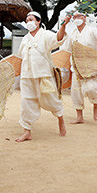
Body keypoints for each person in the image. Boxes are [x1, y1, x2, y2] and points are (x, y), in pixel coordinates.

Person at [15, 11, 70, 142]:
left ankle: (61, 120)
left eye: (31, 19)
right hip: (27, 75)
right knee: (26, 102)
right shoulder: (25, 38)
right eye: (27, 20)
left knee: (51, 100)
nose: (29, 22)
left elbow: (58, 38)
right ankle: (27, 131)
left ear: (38, 21)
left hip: (44, 74)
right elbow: (20, 56)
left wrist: (63, 25)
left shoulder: (45, 35)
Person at [61, 12, 97, 123]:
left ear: (84, 17)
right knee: (76, 92)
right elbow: (66, 48)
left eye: (79, 16)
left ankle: (95, 104)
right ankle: (79, 116)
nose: (77, 18)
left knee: (91, 88)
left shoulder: (92, 30)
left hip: (90, 65)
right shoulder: (73, 33)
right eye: (75, 17)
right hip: (76, 66)